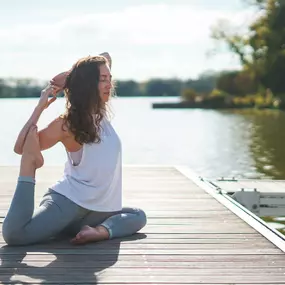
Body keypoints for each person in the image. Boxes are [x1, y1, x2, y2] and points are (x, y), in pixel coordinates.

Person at [2, 53, 147, 246]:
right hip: (67, 203)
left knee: (138, 215)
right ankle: (33, 172)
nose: (109, 85)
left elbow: (105, 57)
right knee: (16, 235)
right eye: (103, 79)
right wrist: (40, 108)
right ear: (88, 84)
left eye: (110, 79)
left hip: (98, 210)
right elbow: (22, 147)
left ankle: (99, 232)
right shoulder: (68, 123)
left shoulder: (100, 115)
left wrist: (70, 75)